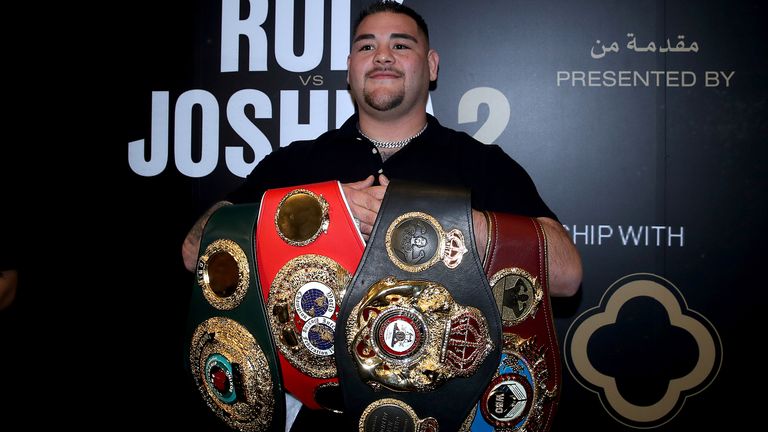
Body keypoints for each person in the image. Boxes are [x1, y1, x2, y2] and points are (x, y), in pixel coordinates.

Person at [182, 1, 582, 429]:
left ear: (430, 66)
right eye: (367, 45)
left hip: (446, 415)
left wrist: (444, 220)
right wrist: (309, 211)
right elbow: (194, 252)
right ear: (351, 68)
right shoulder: (295, 163)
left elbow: (565, 275)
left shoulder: (482, 164)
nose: (383, 55)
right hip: (319, 416)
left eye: (401, 44)